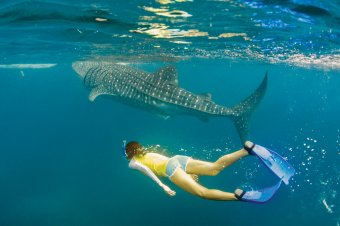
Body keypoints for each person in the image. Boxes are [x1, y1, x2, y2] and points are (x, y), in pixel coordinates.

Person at [124, 140, 256, 201]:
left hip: (171, 169)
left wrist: (162, 186)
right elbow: (163, 160)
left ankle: (237, 196)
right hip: (177, 159)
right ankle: (246, 150)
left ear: (128, 154)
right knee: (214, 168)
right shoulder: (146, 151)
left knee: (202, 192)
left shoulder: (132, 163)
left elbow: (146, 170)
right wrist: (187, 172)